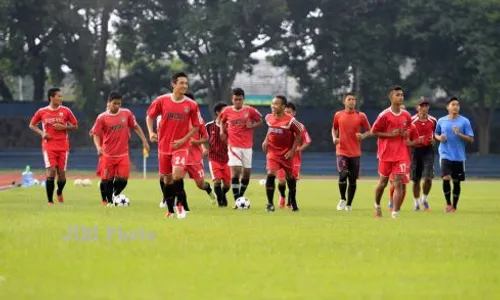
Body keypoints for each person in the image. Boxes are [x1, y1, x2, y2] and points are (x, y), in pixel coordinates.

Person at [146, 72, 201, 219]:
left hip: (181, 147)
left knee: (177, 174)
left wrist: (184, 140)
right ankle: (170, 211)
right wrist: (151, 132)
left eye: (186, 83)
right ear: (173, 84)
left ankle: (180, 206)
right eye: (181, 83)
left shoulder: (191, 105)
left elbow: (196, 126)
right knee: (167, 180)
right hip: (164, 147)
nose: (184, 86)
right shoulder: (161, 100)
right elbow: (150, 116)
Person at [92, 91, 150, 206]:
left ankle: (114, 195)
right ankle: (107, 202)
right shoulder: (102, 118)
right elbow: (95, 134)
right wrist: (98, 147)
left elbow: (136, 127)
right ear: (109, 103)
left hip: (122, 154)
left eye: (119, 103)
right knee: (107, 180)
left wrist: (144, 140)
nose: (117, 106)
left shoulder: (126, 113)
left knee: (123, 180)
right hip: (107, 154)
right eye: (115, 103)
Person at [29, 88, 78, 205]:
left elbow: (75, 126)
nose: (61, 99)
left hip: (63, 146)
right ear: (51, 97)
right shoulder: (42, 111)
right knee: (51, 171)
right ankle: (50, 201)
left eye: (61, 96)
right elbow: (32, 125)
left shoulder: (66, 111)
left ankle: (59, 191)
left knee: (61, 175)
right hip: (48, 146)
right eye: (59, 96)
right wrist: (42, 133)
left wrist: (64, 127)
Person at [371, 86, 412, 218]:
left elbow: (408, 129)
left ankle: (395, 213)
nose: (401, 97)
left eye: (402, 95)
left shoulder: (406, 115)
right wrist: (390, 134)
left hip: (401, 154)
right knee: (382, 183)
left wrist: (405, 134)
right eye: (397, 95)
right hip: (386, 154)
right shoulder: (384, 115)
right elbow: (374, 131)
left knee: (398, 182)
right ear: (391, 97)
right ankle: (377, 205)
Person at [219, 88, 263, 207]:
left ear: (243, 99)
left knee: (246, 174)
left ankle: (240, 196)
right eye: (235, 99)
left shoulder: (250, 110)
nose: (237, 102)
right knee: (236, 171)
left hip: (247, 146)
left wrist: (252, 124)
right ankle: (237, 200)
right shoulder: (227, 110)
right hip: (233, 146)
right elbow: (221, 121)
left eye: (240, 99)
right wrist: (222, 132)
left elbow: (260, 121)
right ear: (232, 99)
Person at [262, 95, 303, 212]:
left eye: (276, 104)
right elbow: (270, 128)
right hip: (273, 152)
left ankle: (293, 201)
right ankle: (270, 204)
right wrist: (266, 140)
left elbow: (299, 133)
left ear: (283, 106)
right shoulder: (268, 117)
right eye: (272, 103)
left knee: (290, 178)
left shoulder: (291, 120)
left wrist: (292, 150)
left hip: (286, 154)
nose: (273, 106)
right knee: (270, 174)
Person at [332, 93, 371, 211]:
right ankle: (342, 198)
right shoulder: (338, 115)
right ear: (344, 102)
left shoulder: (361, 116)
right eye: (349, 99)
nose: (352, 101)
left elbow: (370, 130)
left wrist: (363, 136)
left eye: (354, 99)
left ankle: (349, 204)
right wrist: (334, 138)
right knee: (343, 174)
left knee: (352, 180)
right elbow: (334, 128)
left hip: (355, 153)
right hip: (341, 150)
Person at [434, 96, 474, 213]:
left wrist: (459, 134)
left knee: (456, 181)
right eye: (453, 104)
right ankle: (448, 204)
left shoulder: (465, 121)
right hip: (445, 154)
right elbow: (436, 133)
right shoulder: (441, 120)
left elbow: (471, 139)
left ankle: (454, 207)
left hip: (459, 156)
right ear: (447, 107)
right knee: (446, 178)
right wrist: (439, 137)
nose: (455, 106)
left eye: (457, 104)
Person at [276, 102, 312, 209]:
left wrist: (298, 149)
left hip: (295, 159)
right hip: (281, 157)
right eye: (285, 112)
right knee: (282, 181)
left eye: (289, 112)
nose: (287, 114)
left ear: (294, 113)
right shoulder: (280, 125)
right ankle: (282, 196)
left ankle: (290, 203)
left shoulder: (300, 126)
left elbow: (307, 141)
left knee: (292, 181)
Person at [410, 98, 437, 211]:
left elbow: (436, 134)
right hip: (415, 152)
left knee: (428, 178)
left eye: (426, 106)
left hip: (428, 151)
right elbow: (406, 138)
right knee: (416, 180)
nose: (424, 108)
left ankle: (424, 199)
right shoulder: (411, 120)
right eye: (422, 106)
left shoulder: (433, 120)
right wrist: (415, 141)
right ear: (417, 107)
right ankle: (416, 203)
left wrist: (434, 139)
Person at [206, 102, 231, 207]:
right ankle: (221, 203)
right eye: (225, 111)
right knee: (217, 182)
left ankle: (222, 194)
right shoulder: (209, 126)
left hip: (227, 159)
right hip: (213, 158)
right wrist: (204, 148)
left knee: (227, 185)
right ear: (218, 112)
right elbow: (202, 138)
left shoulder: (230, 126)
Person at [89, 102, 110, 205]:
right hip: (104, 153)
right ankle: (104, 200)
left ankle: (112, 197)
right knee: (105, 177)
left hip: (116, 153)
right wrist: (99, 147)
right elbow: (92, 133)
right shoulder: (101, 120)